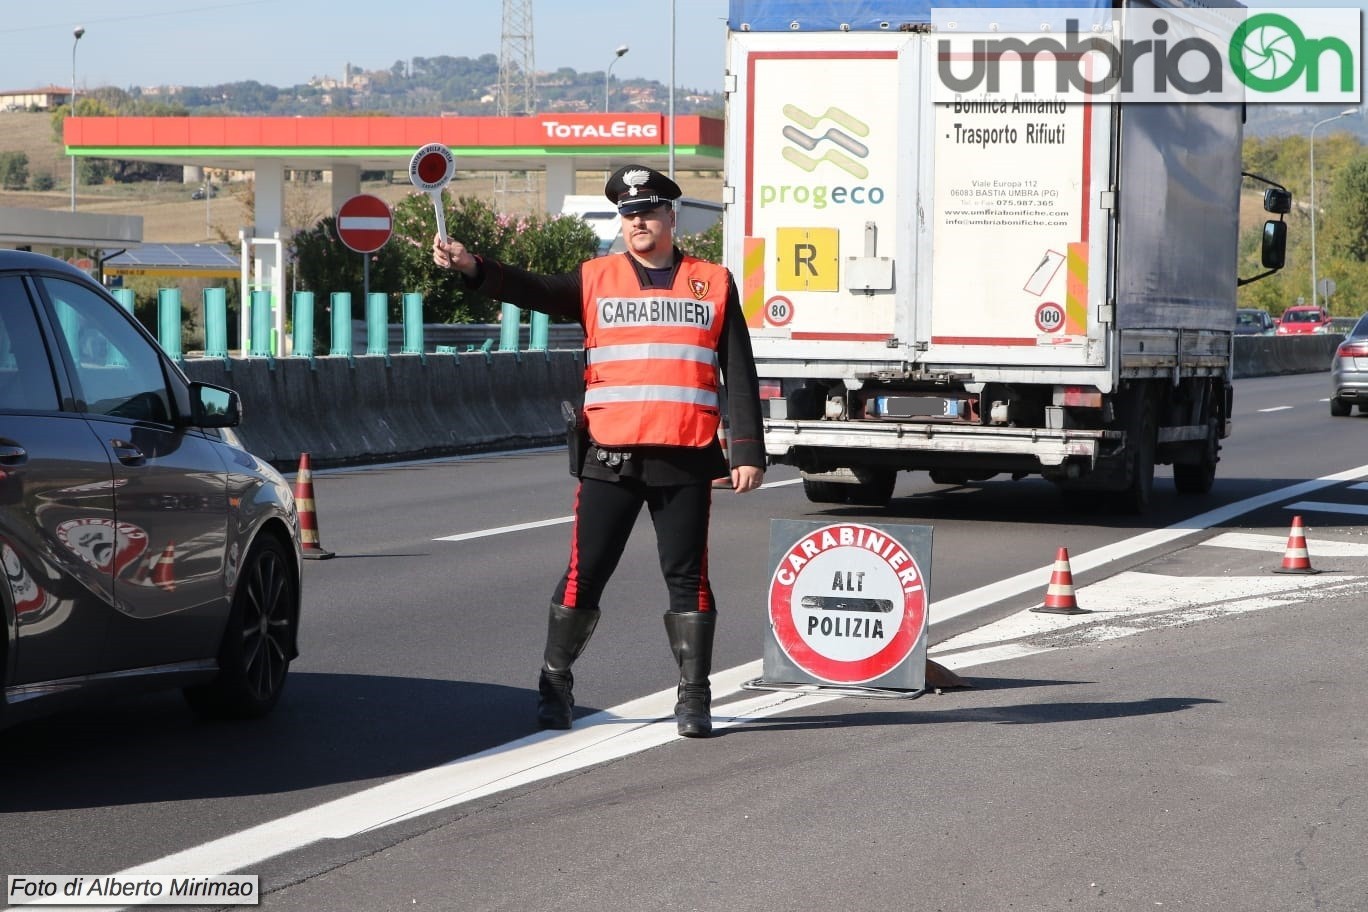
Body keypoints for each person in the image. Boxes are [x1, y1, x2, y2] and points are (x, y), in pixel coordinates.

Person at [433, 164, 765, 738]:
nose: (639, 221)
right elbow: (530, 288)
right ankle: (555, 681)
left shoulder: (714, 282)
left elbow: (738, 367)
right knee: (585, 576)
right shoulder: (595, 278)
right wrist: (474, 267)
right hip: (611, 454)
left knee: (689, 579)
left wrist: (747, 449)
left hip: (684, 453)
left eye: (649, 211)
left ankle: (695, 697)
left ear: (671, 216)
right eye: (629, 214)